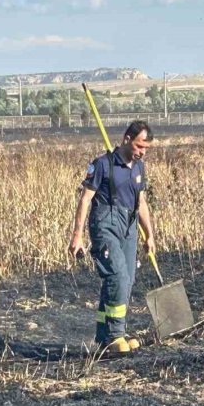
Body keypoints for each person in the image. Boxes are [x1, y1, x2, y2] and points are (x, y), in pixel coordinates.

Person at [68, 120, 156, 354]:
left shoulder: (139, 168)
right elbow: (85, 199)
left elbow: (142, 203)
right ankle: (115, 336)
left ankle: (106, 334)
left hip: (129, 226)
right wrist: (77, 235)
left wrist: (150, 235)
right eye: (139, 146)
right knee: (116, 275)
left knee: (125, 280)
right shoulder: (102, 164)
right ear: (127, 139)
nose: (142, 152)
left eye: (146, 148)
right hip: (105, 223)